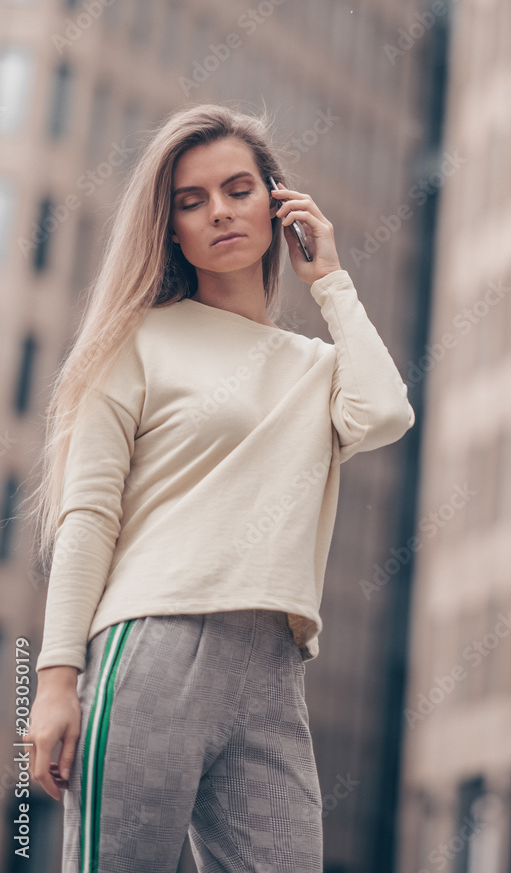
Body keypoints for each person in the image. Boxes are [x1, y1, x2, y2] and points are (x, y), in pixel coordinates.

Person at [22, 103, 415, 872]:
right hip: (155, 645)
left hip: (274, 661)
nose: (220, 213)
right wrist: (57, 682)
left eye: (238, 189)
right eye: (191, 201)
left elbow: (388, 413)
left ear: (278, 201)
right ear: (170, 229)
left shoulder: (315, 366)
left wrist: (329, 278)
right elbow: (89, 517)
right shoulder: (133, 340)